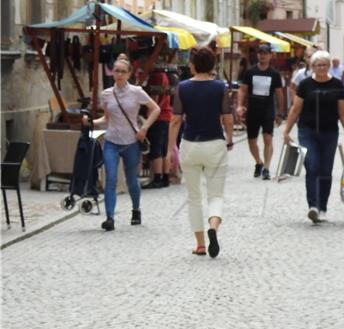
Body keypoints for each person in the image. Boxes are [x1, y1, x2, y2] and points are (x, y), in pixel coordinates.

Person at [166, 47, 234, 258]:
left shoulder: (183, 87)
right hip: (214, 144)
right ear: (212, 65)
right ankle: (213, 225)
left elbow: (176, 119)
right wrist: (230, 139)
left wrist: (171, 148)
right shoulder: (220, 87)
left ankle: (200, 244)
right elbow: (227, 116)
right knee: (216, 195)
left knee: (194, 197)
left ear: (194, 65)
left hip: (190, 145)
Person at [83, 55, 161, 231]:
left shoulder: (136, 92)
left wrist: (144, 128)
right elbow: (106, 118)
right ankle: (110, 218)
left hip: (131, 142)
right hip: (111, 141)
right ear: (112, 73)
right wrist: (91, 122)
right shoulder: (107, 94)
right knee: (110, 179)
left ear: (129, 74)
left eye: (122, 71)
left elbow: (156, 109)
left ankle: (136, 209)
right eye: (116, 71)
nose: (119, 74)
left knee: (132, 180)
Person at [283, 50, 344, 224]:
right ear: (312, 67)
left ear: (329, 66)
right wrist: (286, 131)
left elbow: (343, 111)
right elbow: (295, 109)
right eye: (317, 65)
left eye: (324, 64)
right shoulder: (305, 85)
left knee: (326, 170)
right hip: (307, 131)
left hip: (329, 132)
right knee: (312, 165)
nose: (321, 68)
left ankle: (322, 207)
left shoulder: (337, 84)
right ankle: (313, 206)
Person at [237, 44, 285, 180]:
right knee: (252, 141)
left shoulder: (274, 74)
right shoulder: (250, 72)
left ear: (270, 55)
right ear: (257, 55)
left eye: (265, 53)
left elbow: (280, 94)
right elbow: (242, 90)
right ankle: (259, 162)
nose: (262, 55)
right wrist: (240, 105)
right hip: (253, 109)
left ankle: (267, 168)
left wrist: (280, 113)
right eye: (260, 53)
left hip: (268, 109)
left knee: (267, 138)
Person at [142, 68, 173, 189]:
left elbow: (154, 99)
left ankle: (157, 178)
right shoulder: (165, 75)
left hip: (158, 117)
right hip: (167, 116)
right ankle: (165, 177)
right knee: (164, 148)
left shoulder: (156, 76)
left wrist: (149, 119)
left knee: (156, 148)